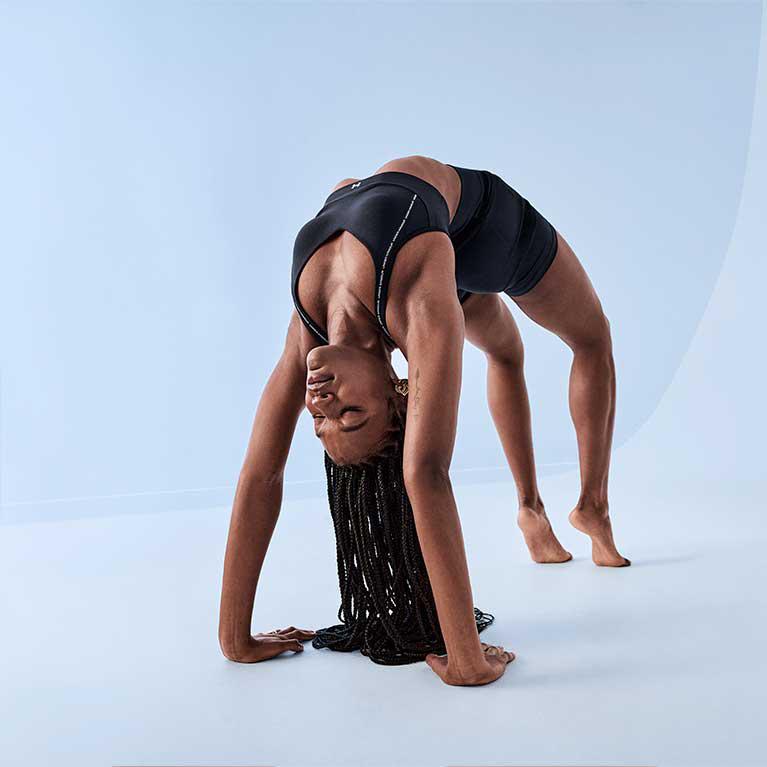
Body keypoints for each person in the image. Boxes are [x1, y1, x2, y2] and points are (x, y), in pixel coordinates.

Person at [218, 155, 628, 687]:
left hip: (431, 240)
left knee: (506, 351)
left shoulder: (310, 332)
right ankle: (573, 508)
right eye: (351, 415)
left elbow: (261, 473)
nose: (320, 407)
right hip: (478, 231)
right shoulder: (418, 306)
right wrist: (466, 659)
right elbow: (425, 473)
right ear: (398, 386)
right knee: (587, 337)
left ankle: (548, 512)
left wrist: (236, 639)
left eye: (322, 425)